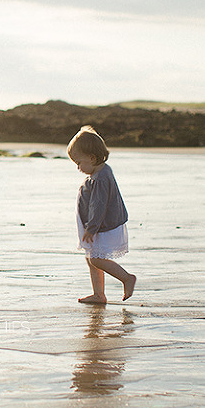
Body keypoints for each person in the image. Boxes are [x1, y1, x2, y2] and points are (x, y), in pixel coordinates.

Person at [67, 126, 136, 304]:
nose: (78, 167)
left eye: (79, 162)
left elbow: (99, 205)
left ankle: (127, 278)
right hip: (96, 226)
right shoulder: (100, 173)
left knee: (97, 259)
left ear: (92, 158)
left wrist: (91, 228)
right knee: (91, 259)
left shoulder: (100, 178)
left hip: (101, 226)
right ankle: (99, 295)